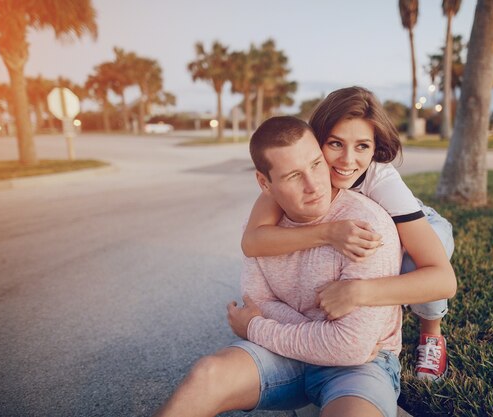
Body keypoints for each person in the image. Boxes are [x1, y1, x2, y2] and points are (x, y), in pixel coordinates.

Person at [154, 116, 403, 417]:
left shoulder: (365, 227)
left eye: (315, 164)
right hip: (283, 355)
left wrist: (255, 327)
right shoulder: (262, 232)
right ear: (265, 183)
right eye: (293, 176)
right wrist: (326, 335)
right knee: (207, 374)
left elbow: (349, 348)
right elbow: (258, 301)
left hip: (360, 366)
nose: (313, 185)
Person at [241, 86, 457, 381]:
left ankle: (432, 334)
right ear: (316, 141)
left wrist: (359, 292)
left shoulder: (382, 180)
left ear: (374, 148)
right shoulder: (297, 173)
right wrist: (328, 233)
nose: (346, 160)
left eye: (362, 146)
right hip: (365, 231)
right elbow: (253, 241)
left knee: (413, 266)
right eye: (335, 144)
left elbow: (443, 280)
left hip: (421, 223)